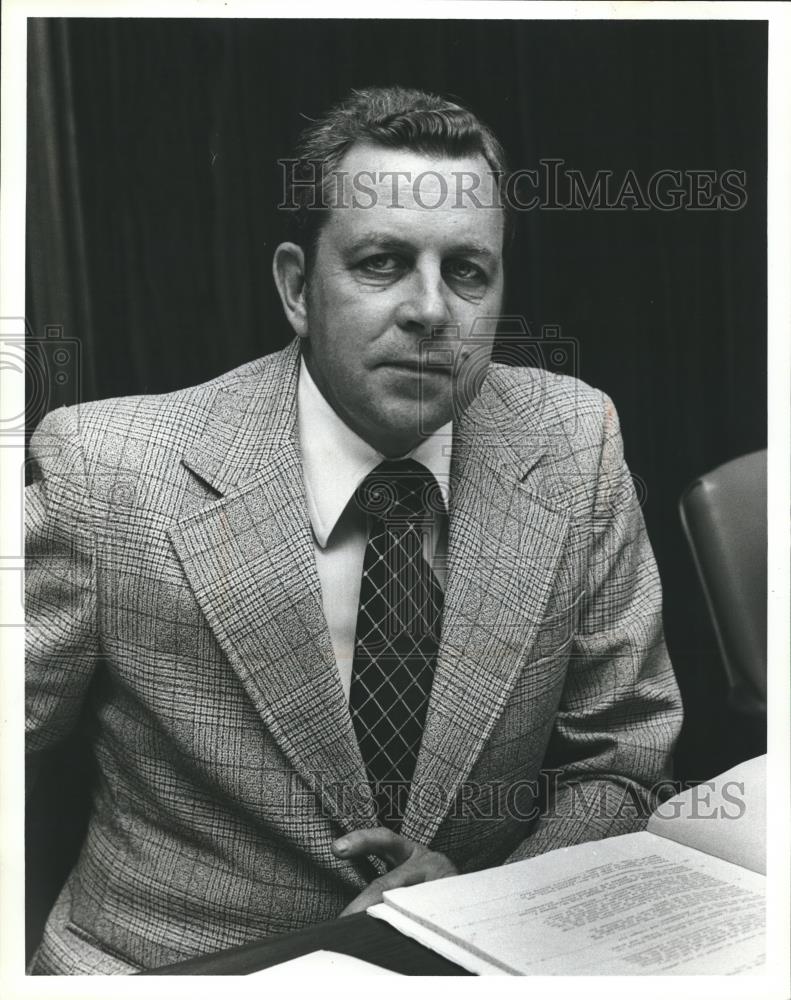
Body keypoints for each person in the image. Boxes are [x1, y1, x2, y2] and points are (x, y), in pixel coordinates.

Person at [25, 86, 683, 974]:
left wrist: (486, 903)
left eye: (466, 271)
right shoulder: (110, 471)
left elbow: (622, 757)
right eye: (380, 262)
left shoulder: (574, 443)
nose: (429, 310)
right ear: (298, 287)